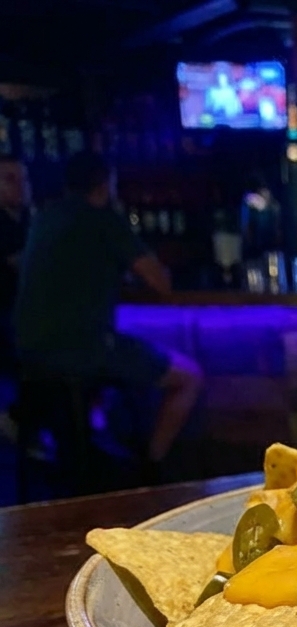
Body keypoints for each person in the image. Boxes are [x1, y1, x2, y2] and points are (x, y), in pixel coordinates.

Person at [14, 151, 202, 465]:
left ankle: (94, 457)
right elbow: (159, 283)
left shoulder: (43, 218)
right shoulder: (103, 218)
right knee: (190, 377)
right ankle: (149, 469)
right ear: (106, 183)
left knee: (103, 384)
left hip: (28, 353)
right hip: (82, 349)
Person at [0, 157, 30, 371]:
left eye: (24, 179)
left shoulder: (31, 221)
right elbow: (26, 266)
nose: (20, 185)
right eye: (10, 179)